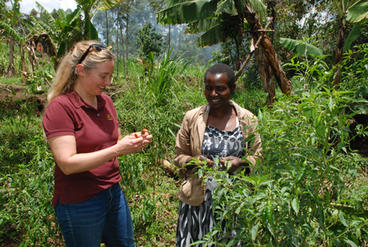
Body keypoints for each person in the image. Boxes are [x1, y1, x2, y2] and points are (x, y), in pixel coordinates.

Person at [42, 40, 152, 247]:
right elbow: (67, 163)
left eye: (110, 76)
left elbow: (112, 142)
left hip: (113, 193)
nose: (108, 82)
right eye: (103, 76)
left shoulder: (106, 102)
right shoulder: (61, 108)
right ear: (81, 71)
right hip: (80, 202)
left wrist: (130, 141)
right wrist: (118, 149)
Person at [175, 63, 262, 246]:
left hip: (234, 203)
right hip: (198, 202)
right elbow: (179, 156)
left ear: (232, 89)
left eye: (220, 89)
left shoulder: (247, 119)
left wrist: (242, 162)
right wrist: (193, 161)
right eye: (209, 88)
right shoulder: (192, 118)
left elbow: (258, 156)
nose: (213, 94)